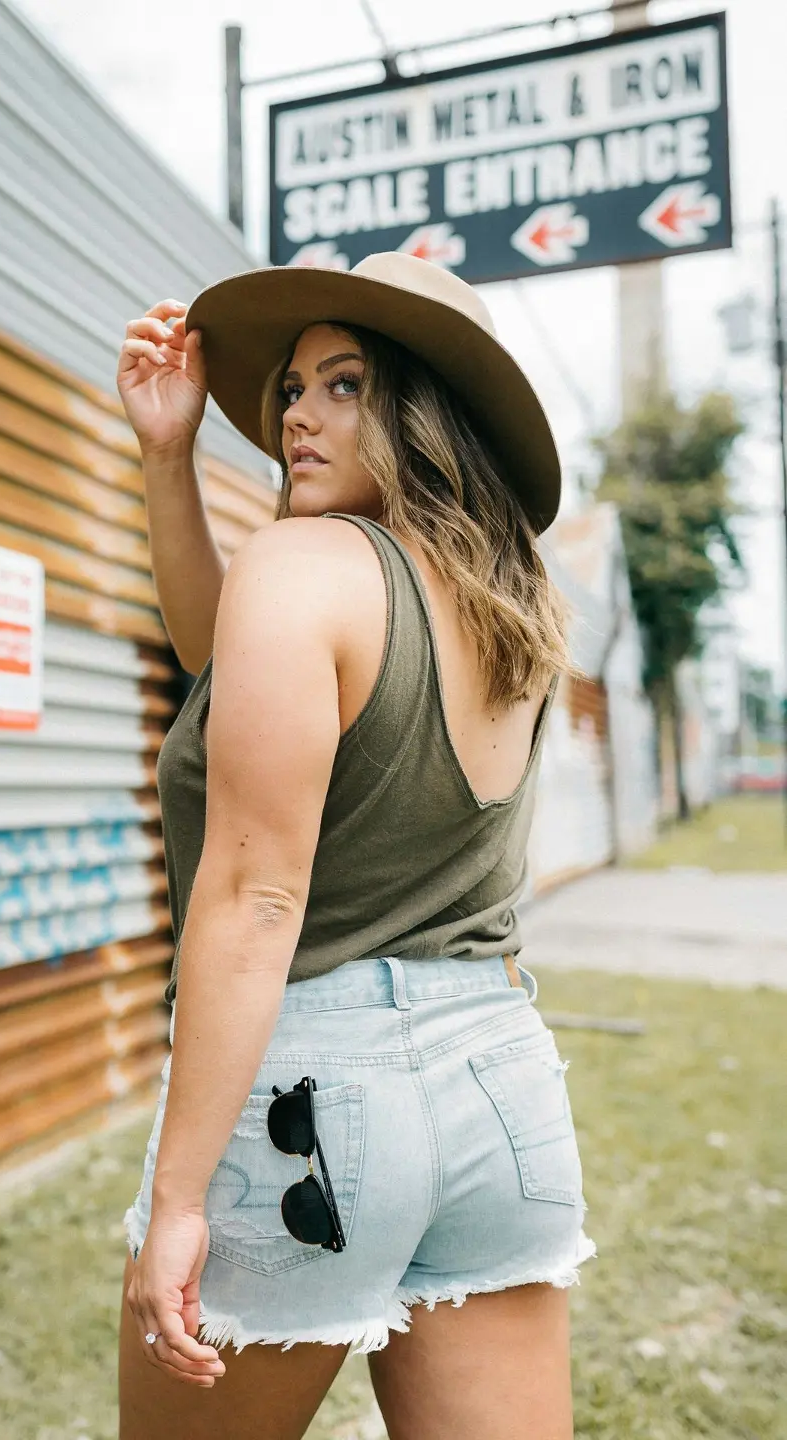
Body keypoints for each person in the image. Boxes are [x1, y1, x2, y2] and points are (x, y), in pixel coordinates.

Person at [115, 253, 594, 1440]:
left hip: (306, 1099)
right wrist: (168, 459)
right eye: (289, 389)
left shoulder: (300, 569)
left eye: (343, 385)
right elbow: (219, 656)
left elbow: (254, 896)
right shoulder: (514, 599)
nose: (293, 417)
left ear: (422, 409)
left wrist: (180, 1199)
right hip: (501, 1080)